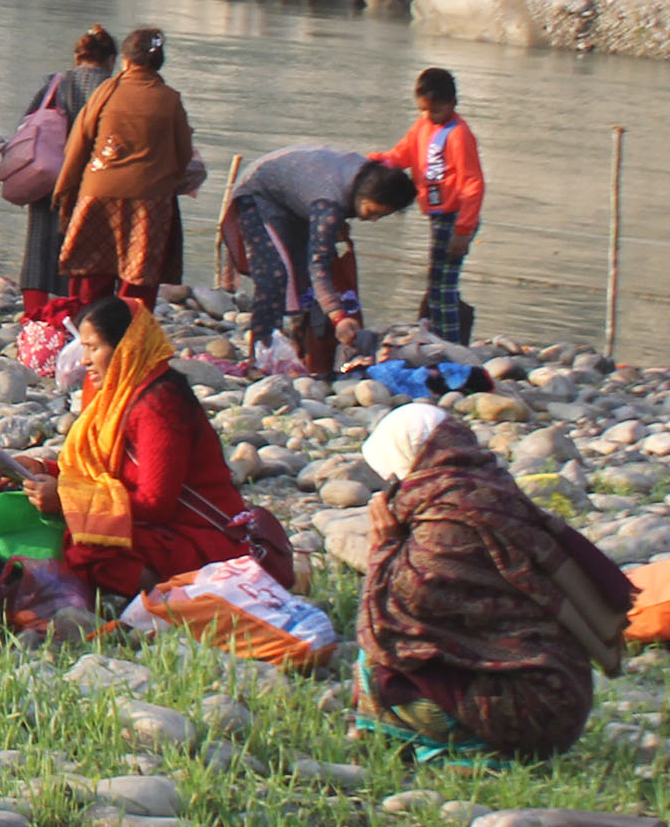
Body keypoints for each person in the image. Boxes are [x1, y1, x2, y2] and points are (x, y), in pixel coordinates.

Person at [354, 402, 634, 760]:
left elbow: (386, 625)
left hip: (528, 712)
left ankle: (467, 747)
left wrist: (385, 546)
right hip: (564, 694)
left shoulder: (447, 526)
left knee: (376, 660)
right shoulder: (491, 492)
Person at [48, 297, 253, 598]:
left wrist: (68, 501)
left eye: (94, 348)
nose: (84, 360)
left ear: (126, 347)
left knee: (88, 543)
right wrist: (42, 471)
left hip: (203, 535)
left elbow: (156, 504)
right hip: (161, 526)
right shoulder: (116, 397)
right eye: (84, 347)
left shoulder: (159, 403)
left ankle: (163, 595)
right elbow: (97, 470)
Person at [226, 147, 415, 372]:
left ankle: (301, 353)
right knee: (274, 276)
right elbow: (318, 264)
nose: (372, 220)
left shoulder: (363, 180)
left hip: (298, 194)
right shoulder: (330, 205)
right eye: (372, 211)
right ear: (366, 195)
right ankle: (261, 354)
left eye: (380, 217)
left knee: (302, 282)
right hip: (259, 191)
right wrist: (338, 316)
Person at [52, 28, 193, 313]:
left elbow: (77, 147)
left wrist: (64, 193)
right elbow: (183, 156)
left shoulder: (106, 91)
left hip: (99, 196)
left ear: (126, 61)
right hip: (149, 203)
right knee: (137, 283)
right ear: (159, 62)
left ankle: (89, 340)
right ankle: (130, 345)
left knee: (91, 276)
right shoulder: (170, 99)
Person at [15, 26, 119, 327]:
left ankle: (33, 318)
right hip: (91, 181)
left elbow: (28, 124)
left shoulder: (56, 83)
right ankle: (72, 316)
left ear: (78, 56)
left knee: (39, 243)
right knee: (80, 250)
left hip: (46, 174)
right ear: (111, 59)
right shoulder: (113, 89)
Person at [372, 70, 486, 344]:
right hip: (438, 216)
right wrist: (372, 162)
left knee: (443, 287)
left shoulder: (458, 135)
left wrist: (463, 230)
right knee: (436, 283)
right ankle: (439, 337)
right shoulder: (422, 127)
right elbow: (401, 155)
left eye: (436, 111)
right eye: (425, 110)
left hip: (456, 217)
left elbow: (473, 183)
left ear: (453, 103)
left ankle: (447, 342)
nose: (430, 116)